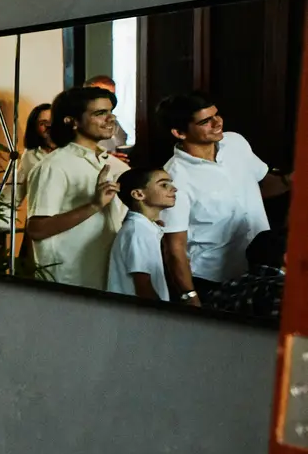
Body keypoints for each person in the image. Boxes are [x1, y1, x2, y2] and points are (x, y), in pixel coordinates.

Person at [157, 91, 290, 305]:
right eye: (205, 121)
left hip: (260, 272)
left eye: (216, 115)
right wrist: (189, 296)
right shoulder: (174, 177)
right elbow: (174, 247)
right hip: (213, 280)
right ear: (179, 132)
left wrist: (293, 180)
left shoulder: (235, 143)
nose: (217, 123)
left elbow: (265, 183)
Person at [23, 86, 128, 290]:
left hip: (108, 275)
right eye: (99, 113)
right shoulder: (54, 166)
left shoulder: (114, 164)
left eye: (110, 112)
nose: (110, 119)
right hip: (70, 279)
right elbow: (37, 229)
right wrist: (93, 206)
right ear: (71, 120)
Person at [107, 168, 175, 301]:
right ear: (138, 194)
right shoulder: (138, 231)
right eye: (164, 185)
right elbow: (143, 286)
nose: (174, 189)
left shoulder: (145, 228)